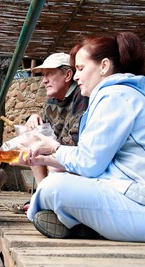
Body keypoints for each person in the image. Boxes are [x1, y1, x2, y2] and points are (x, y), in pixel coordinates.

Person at [14, 32, 145, 242]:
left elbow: (89, 164)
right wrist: (44, 159)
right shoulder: (117, 95)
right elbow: (98, 162)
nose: (75, 76)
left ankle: (75, 222)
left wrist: (54, 148)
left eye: (81, 68)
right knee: (55, 182)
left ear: (104, 66)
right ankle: (82, 225)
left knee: (53, 188)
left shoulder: (115, 97)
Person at [25, 53, 89, 185]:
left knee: (52, 162)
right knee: (30, 133)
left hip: (78, 158)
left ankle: (50, 195)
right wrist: (33, 118)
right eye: (43, 75)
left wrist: (47, 148)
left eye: (49, 73)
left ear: (68, 75)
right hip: (58, 150)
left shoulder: (81, 96)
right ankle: (42, 191)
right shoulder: (51, 101)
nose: (44, 80)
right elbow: (45, 129)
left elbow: (76, 140)